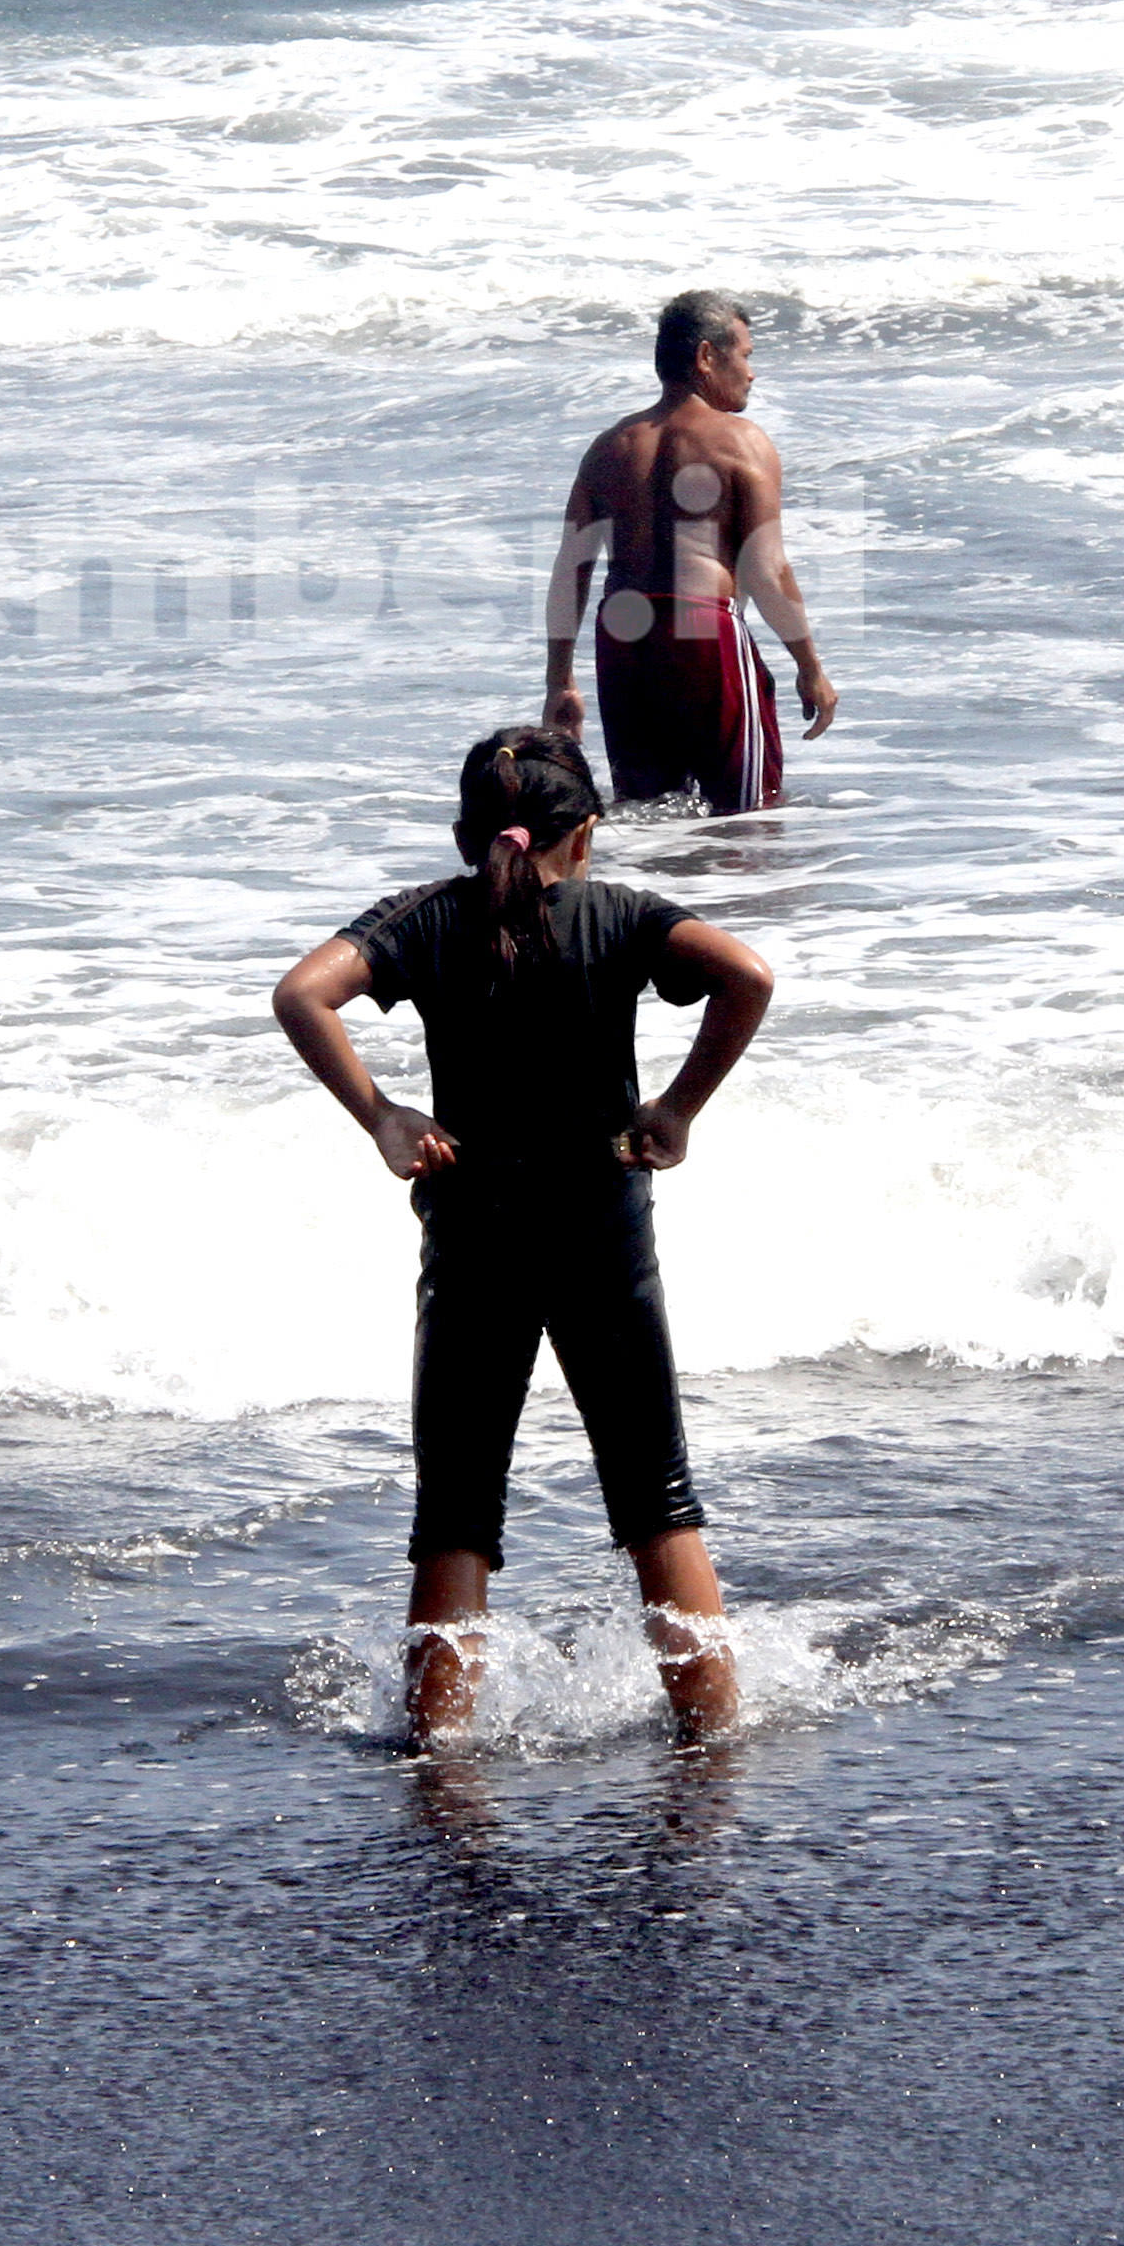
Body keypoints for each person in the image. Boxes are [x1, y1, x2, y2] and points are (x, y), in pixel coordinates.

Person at [272, 727, 777, 1740]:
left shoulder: (424, 920)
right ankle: (713, 1738)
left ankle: (439, 1757)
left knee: (455, 1512)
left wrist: (383, 1117)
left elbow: (302, 994)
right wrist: (676, 1109)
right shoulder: (621, 916)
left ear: (468, 835)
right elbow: (748, 977)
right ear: (583, 833)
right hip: (603, 1230)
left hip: (474, 1239)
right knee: (656, 1498)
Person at [543, 289, 839, 814]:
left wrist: (560, 680)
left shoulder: (610, 446)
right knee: (748, 815)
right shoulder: (740, 441)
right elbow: (765, 568)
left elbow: (572, 568)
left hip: (622, 635)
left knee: (647, 813)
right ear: (706, 357)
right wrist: (809, 666)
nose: (752, 373)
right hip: (703, 632)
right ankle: (742, 897)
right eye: (745, 356)